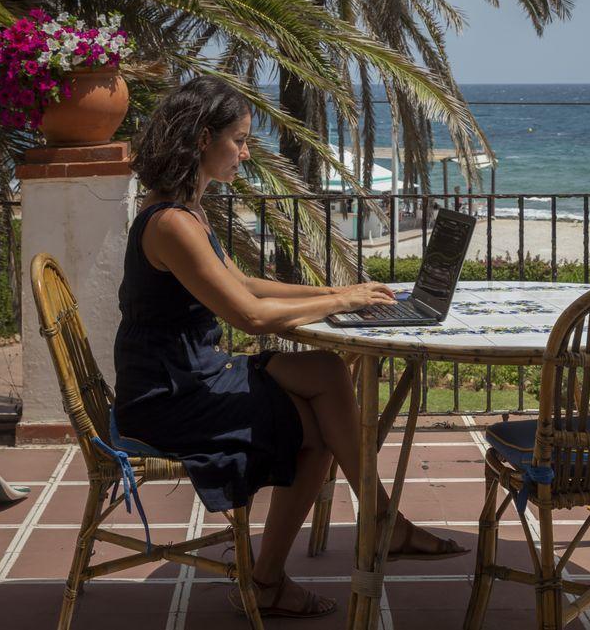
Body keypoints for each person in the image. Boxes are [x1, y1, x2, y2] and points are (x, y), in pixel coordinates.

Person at [114, 76, 467, 619]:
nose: (246, 153)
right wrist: (337, 301)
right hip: (170, 394)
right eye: (239, 140)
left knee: (325, 369)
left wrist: (338, 292)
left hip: (193, 372)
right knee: (316, 435)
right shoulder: (170, 225)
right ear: (203, 138)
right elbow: (250, 315)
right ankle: (274, 577)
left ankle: (380, 521)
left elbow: (249, 284)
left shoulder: (186, 209)